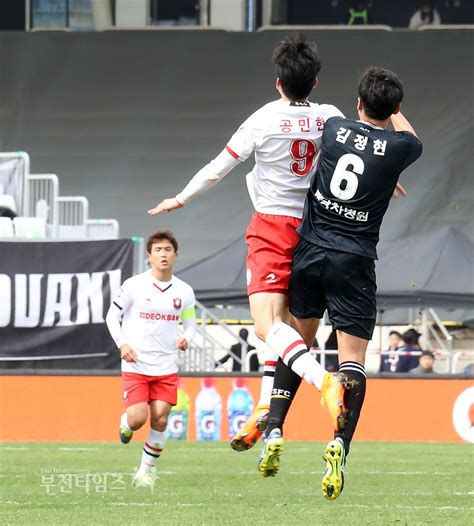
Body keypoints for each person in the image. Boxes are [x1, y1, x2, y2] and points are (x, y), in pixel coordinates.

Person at [147, 33, 349, 451]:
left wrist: (180, 198)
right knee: (286, 333)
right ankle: (267, 416)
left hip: (274, 226)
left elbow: (218, 168)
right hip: (316, 228)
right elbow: (357, 159)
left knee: (265, 326)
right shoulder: (331, 116)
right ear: (314, 82)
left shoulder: (262, 120)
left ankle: (323, 381)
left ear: (279, 81)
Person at [257, 67, 422, 501]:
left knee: (297, 343)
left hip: (310, 251)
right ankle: (338, 445)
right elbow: (412, 138)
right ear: (393, 109)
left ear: (358, 104)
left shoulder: (332, 129)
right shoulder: (399, 148)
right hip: (353, 261)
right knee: (352, 362)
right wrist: (396, 114)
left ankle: (274, 427)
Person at [105, 230, 196, 488]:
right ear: (149, 257)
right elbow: (112, 317)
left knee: (161, 418)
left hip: (166, 366)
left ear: (176, 255)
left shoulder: (185, 291)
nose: (163, 254)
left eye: (168, 250)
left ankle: (145, 472)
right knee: (137, 418)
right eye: (158, 250)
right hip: (137, 364)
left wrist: (186, 337)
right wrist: (122, 344)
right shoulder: (134, 285)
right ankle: (125, 422)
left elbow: (190, 323)